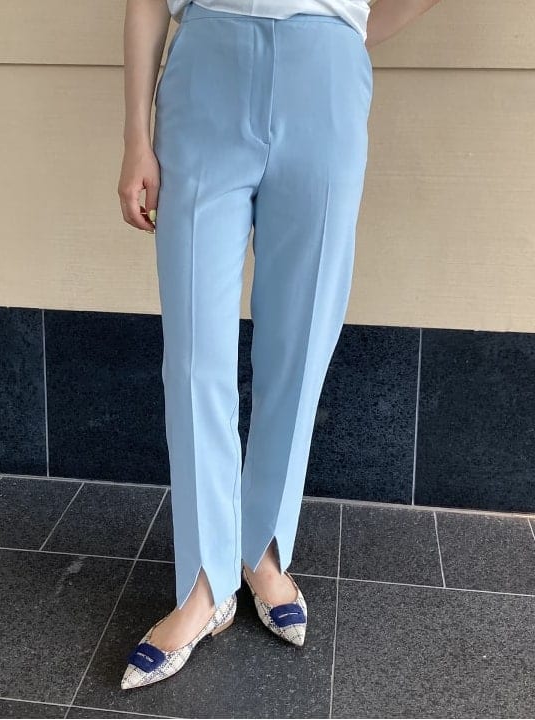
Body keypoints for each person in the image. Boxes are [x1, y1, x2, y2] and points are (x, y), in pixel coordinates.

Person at [117, 0, 442, 690]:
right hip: (206, 65)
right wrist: (135, 136)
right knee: (194, 355)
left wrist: (345, 28)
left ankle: (261, 547)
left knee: (300, 342)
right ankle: (204, 582)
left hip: (325, 75)